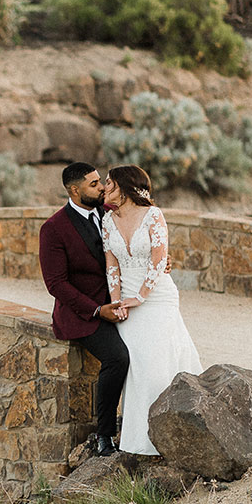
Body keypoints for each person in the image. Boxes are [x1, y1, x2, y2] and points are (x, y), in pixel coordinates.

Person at [100, 164, 203, 456]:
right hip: (126, 302)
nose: (106, 188)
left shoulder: (154, 216)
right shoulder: (107, 220)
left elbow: (160, 260)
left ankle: (179, 432)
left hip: (157, 297)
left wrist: (141, 297)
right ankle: (138, 441)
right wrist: (118, 300)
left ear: (125, 186)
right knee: (137, 366)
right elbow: (111, 264)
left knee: (159, 363)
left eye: (110, 183)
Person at [38, 162, 127, 457]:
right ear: (75, 191)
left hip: (120, 304)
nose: (102, 187)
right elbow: (56, 284)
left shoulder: (109, 214)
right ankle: (105, 435)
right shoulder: (53, 229)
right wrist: (97, 310)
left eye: (100, 181)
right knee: (117, 357)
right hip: (83, 314)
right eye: (93, 184)